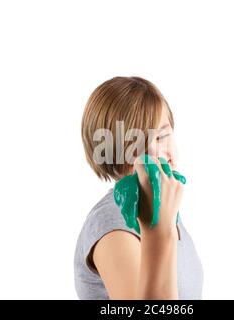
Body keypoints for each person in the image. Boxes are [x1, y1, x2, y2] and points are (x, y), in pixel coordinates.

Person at [74, 76, 203, 299]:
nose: (155, 152)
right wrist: (160, 233)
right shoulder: (113, 223)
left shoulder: (164, 210)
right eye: (136, 145)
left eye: (162, 135)